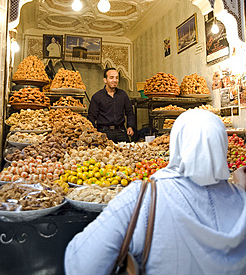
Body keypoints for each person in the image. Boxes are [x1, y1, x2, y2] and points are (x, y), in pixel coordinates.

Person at [64, 109, 246, 274]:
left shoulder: (143, 196)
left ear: (176, 143)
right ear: (222, 145)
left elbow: (81, 265)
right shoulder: (242, 198)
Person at [87, 67, 135, 143]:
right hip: (104, 132)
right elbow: (91, 116)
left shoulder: (123, 95)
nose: (114, 80)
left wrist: (130, 126)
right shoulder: (97, 96)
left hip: (121, 131)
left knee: (127, 152)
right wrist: (93, 132)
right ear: (105, 80)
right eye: (111, 78)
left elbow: (130, 113)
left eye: (116, 78)